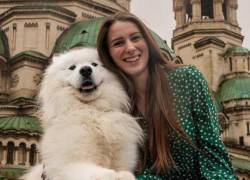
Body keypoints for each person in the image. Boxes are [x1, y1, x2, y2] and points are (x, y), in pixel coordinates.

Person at [96, 12, 236, 180]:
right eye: (118, 43)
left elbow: (214, 154)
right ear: (108, 54)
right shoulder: (108, 101)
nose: (130, 48)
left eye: (135, 38)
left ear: (148, 42)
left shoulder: (187, 79)